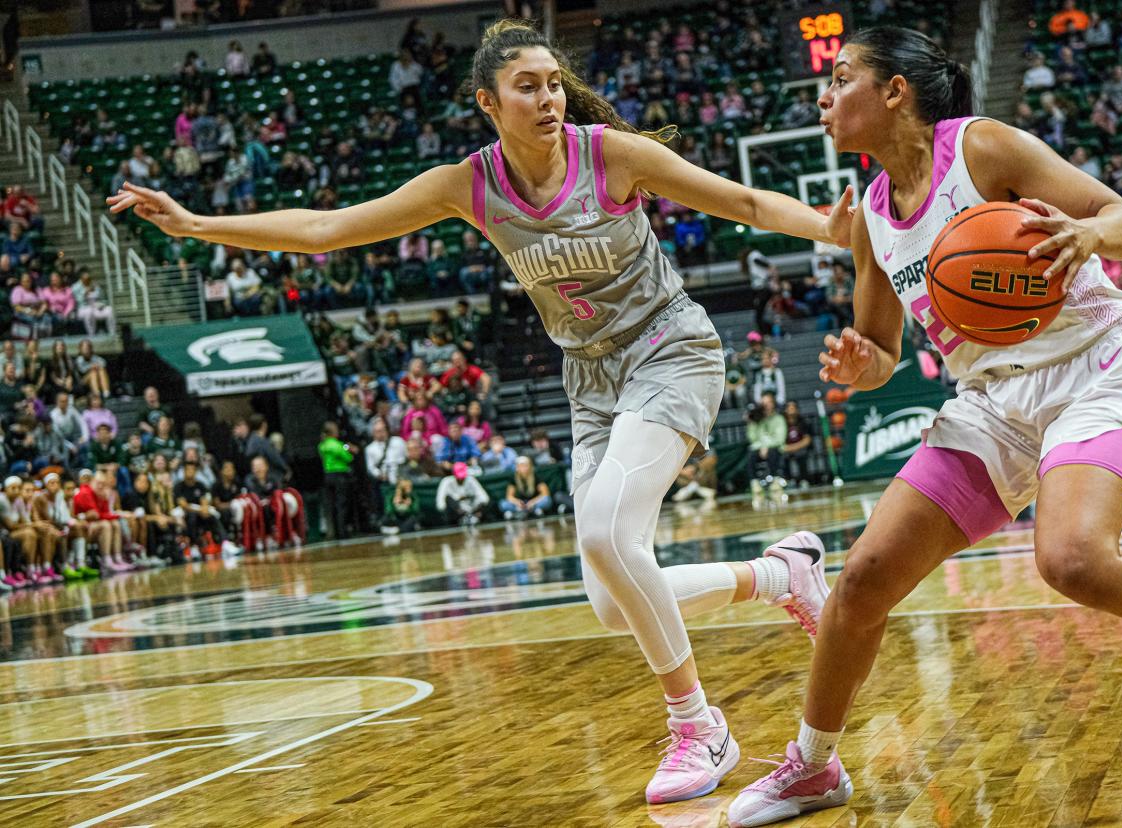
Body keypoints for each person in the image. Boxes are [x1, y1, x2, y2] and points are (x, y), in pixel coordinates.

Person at [108, 19, 854, 805]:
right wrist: (195, 224)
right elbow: (328, 230)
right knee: (611, 601)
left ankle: (698, 727)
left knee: (606, 534)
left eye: (554, 82)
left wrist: (825, 228)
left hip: (671, 351)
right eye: (526, 87)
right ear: (488, 103)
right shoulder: (470, 184)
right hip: (591, 382)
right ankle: (781, 574)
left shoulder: (611, 155)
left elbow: (738, 198)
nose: (547, 98)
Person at [725, 28, 1122, 826]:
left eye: (841, 77)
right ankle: (812, 767)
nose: (824, 98)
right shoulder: (867, 213)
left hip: (1100, 367)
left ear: (894, 90)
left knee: (1071, 559)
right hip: (993, 402)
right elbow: (885, 347)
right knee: (862, 580)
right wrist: (863, 363)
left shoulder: (983, 149)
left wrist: (1087, 235)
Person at [318, 422, 356, 541]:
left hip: (327, 476)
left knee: (332, 504)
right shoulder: (336, 445)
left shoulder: (322, 445)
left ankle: (334, 532)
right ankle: (342, 531)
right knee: (341, 504)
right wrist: (348, 449)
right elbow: (348, 457)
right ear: (333, 432)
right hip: (339, 476)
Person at [745, 392, 786, 501]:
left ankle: (775, 480)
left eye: (768, 402)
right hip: (759, 448)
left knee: (773, 452)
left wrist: (766, 446)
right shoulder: (756, 419)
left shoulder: (779, 419)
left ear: (773, 404)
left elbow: (779, 439)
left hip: (775, 447)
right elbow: (752, 439)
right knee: (751, 455)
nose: (766, 405)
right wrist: (751, 423)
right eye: (764, 403)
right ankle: (754, 483)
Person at [434, 461, 489, 525]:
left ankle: (473, 517)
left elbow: (484, 498)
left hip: (473, 508)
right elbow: (440, 504)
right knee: (448, 500)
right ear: (454, 474)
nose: (461, 479)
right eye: (459, 477)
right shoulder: (446, 482)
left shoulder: (471, 479)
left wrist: (476, 509)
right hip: (456, 513)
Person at [500, 455, 552, 519]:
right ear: (517, 467)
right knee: (503, 504)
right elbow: (509, 496)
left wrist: (532, 502)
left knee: (547, 500)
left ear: (529, 466)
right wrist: (517, 502)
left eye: (524, 465)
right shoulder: (513, 478)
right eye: (520, 466)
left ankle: (531, 511)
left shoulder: (536, 476)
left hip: (534, 503)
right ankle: (524, 511)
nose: (523, 468)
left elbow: (545, 493)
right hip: (520, 504)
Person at [780, 400, 813, 487]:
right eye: (789, 408)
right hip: (787, 448)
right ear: (785, 410)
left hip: (800, 447)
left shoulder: (803, 422)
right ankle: (788, 480)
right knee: (783, 457)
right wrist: (788, 448)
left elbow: (807, 440)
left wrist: (795, 447)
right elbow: (779, 441)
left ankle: (804, 480)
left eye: (793, 408)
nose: (792, 411)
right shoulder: (782, 424)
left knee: (801, 455)